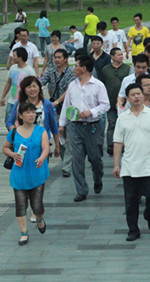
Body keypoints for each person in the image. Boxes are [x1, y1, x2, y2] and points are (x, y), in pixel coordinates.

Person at [113, 83, 150, 242]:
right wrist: (116, 164)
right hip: (129, 166)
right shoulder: (123, 118)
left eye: (138, 94)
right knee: (130, 201)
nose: (136, 97)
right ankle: (133, 229)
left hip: (149, 165)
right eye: (133, 95)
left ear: (143, 95)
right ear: (128, 98)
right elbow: (117, 142)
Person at [59, 55, 110, 203]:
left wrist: (91, 112)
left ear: (84, 68)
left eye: (76, 66)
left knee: (95, 158)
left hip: (93, 126)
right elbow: (67, 106)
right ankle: (81, 190)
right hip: (75, 126)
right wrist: (62, 124)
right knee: (77, 159)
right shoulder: (72, 86)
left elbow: (105, 105)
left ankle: (98, 178)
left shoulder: (98, 85)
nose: (73, 69)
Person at [3, 102, 49, 246]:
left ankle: (40, 219)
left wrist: (42, 158)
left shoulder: (41, 131)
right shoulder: (14, 132)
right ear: (21, 116)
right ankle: (24, 232)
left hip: (36, 173)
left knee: (37, 206)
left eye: (33, 112)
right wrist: (12, 153)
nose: (31, 115)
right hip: (19, 174)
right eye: (28, 113)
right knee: (20, 204)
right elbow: (5, 148)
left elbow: (46, 148)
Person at [6, 75, 60, 160]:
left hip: (42, 144)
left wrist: (57, 146)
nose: (32, 89)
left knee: (40, 169)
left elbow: (54, 126)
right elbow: (9, 122)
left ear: (39, 88)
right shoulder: (19, 104)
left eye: (34, 86)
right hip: (22, 144)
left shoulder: (47, 104)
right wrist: (15, 132)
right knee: (22, 167)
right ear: (24, 90)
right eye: (28, 87)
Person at [1, 48, 36, 124]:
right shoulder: (13, 68)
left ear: (20, 57)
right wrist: (3, 97)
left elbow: (34, 87)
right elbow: (8, 83)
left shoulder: (29, 71)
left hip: (24, 101)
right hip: (12, 100)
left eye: (14, 56)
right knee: (8, 121)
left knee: (21, 122)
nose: (12, 58)